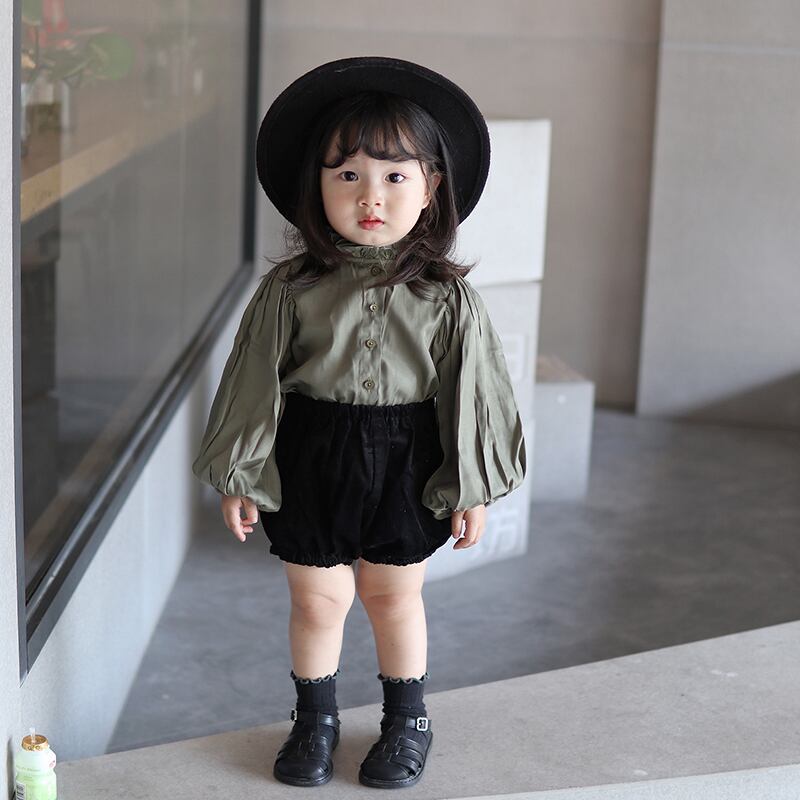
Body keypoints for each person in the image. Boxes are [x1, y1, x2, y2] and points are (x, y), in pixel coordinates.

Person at [191, 56, 527, 789]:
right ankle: (315, 720)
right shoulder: (291, 288)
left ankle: (408, 721)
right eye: (347, 174)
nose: (370, 195)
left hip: (408, 459)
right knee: (318, 599)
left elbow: (472, 396)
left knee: (392, 596)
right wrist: (242, 472)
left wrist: (469, 486)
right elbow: (254, 382)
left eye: (394, 175)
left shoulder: (447, 298)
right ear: (316, 186)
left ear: (432, 187)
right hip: (312, 454)